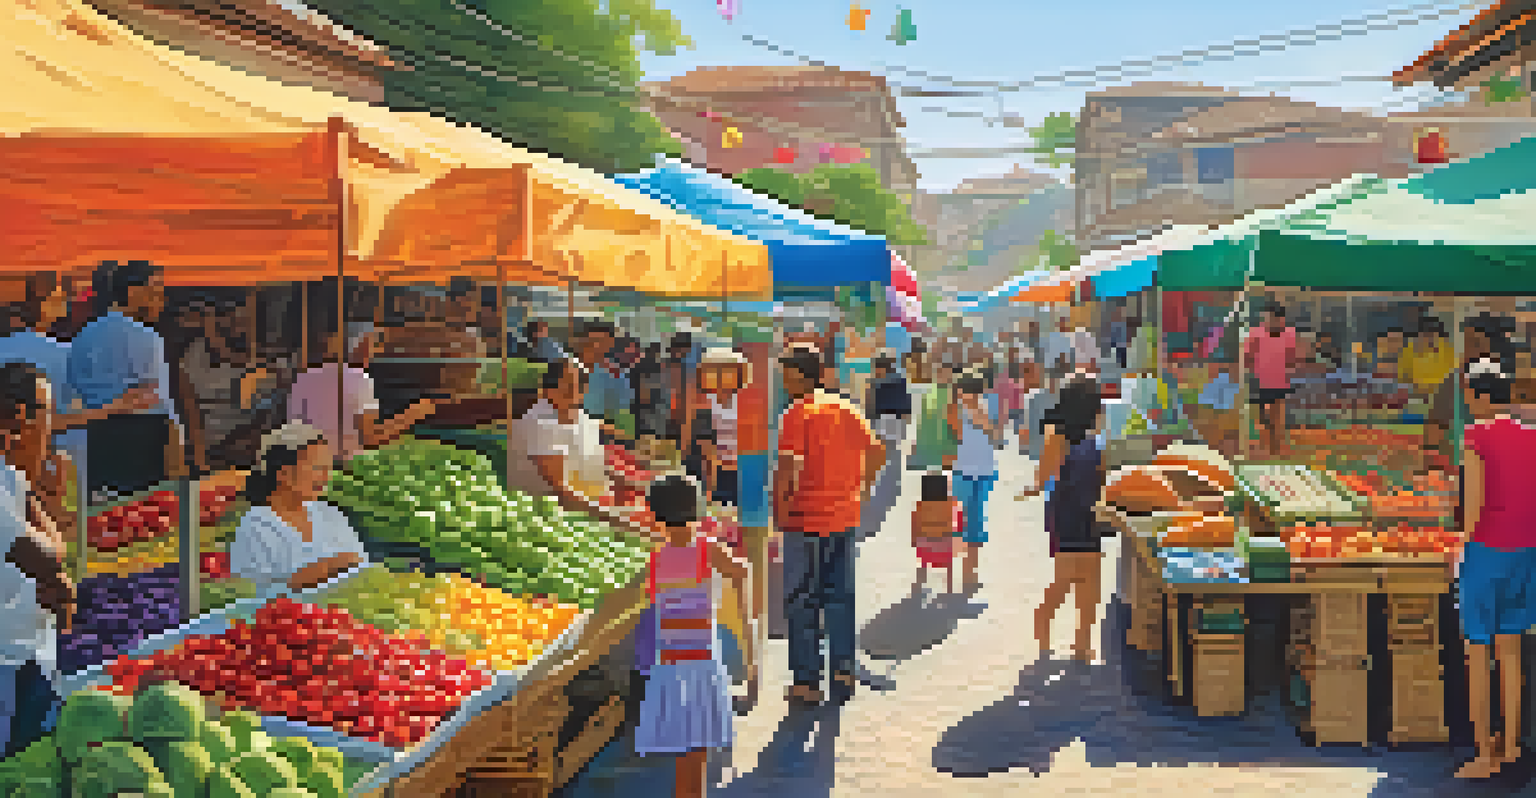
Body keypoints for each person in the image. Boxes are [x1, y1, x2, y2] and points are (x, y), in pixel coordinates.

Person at [775, 346, 884, 706]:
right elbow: (877, 451)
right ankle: (843, 669)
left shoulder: (797, 414)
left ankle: (807, 682)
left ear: (798, 377)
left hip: (804, 519)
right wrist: (861, 489)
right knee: (839, 596)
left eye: (787, 376)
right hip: (843, 518)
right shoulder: (847, 409)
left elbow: (787, 471)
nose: (785, 384)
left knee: (802, 600)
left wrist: (780, 514)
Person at [634, 474, 747, 798]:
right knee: (696, 754)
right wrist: (745, 621)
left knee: (683, 754)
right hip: (701, 666)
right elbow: (741, 571)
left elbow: (654, 607)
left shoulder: (656, 558)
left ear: (655, 514)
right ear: (697, 509)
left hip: (669, 667)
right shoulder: (706, 550)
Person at [1454, 357, 1536, 779]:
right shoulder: (1532, 436)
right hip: (1527, 552)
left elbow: (1473, 505)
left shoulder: (1476, 437)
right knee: (1511, 652)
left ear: (1481, 396)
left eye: (1469, 394)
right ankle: (1512, 746)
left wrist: (1459, 549)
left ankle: (1485, 753)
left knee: (1478, 653)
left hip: (1486, 550)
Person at [0, 364, 76, 758]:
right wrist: (54, 571)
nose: (51, 424)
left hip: (27, 653)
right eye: (48, 410)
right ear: (19, 416)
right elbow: (46, 556)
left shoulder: (11, 477)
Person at [66, 260, 188, 501]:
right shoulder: (146, 337)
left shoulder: (82, 337)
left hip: (94, 439)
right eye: (155, 292)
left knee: (102, 514)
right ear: (133, 292)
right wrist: (178, 459)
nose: (161, 301)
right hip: (142, 440)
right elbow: (159, 401)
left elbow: (74, 391)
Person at [1020, 376, 1108, 662]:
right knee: (1066, 578)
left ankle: (1082, 645)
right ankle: (1044, 640)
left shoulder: (1095, 436)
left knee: (1091, 582)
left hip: (1090, 512)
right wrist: (1033, 488)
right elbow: (1044, 476)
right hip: (1067, 512)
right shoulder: (1059, 437)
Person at [230, 423, 367, 594]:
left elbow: (362, 570)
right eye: (317, 468)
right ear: (284, 474)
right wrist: (320, 570)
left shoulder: (331, 514)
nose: (326, 477)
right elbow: (250, 595)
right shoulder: (255, 526)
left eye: (329, 468)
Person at [288, 323, 437, 465]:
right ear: (360, 346)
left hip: (309, 465)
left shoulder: (303, 378)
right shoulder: (357, 379)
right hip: (345, 467)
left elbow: (294, 432)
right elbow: (371, 438)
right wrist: (413, 414)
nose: (376, 351)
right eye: (374, 344)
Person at [947, 372, 998, 594]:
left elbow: (996, 435)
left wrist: (980, 416)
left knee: (976, 526)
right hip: (964, 472)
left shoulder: (987, 408)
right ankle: (955, 574)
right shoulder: (955, 410)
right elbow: (956, 433)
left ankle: (970, 574)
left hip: (983, 472)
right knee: (959, 526)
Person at [1243, 304, 1297, 458]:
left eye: (1274, 318)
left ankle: (1275, 450)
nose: (1270, 321)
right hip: (1260, 382)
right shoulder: (1256, 333)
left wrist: (1290, 372)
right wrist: (1249, 375)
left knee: (1277, 418)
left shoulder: (1289, 334)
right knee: (1261, 418)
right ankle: (1262, 449)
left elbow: (1291, 357)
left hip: (1280, 382)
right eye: (1267, 317)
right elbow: (1247, 355)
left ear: (1281, 319)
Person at [696, 348, 748, 507]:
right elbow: (707, 450)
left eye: (726, 371)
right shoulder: (705, 404)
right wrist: (710, 488)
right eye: (714, 371)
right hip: (719, 474)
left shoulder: (746, 402)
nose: (720, 377)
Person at [911, 472, 961, 597]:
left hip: (925, 547)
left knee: (923, 563)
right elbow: (958, 522)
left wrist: (914, 540)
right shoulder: (949, 504)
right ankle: (949, 587)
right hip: (945, 547)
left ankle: (920, 584)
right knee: (949, 564)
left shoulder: (920, 505)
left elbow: (915, 525)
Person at [867, 355, 911, 473]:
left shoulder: (878, 383)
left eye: (876, 368)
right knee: (894, 455)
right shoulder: (900, 381)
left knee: (884, 455)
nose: (875, 371)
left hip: (886, 422)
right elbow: (907, 404)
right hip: (893, 422)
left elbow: (872, 406)